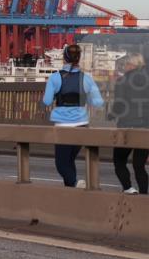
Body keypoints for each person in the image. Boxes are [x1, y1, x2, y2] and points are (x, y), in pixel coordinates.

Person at [42, 44, 105, 188]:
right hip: (81, 125)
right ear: (79, 59)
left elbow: (46, 101)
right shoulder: (86, 78)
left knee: (61, 164)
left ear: (64, 58)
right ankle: (71, 193)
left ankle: (76, 184)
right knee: (70, 161)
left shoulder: (55, 77)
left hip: (63, 126)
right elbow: (98, 102)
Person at [109, 53, 148, 194]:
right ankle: (144, 194)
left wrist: (111, 115)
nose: (124, 67)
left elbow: (119, 104)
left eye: (126, 64)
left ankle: (128, 188)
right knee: (139, 165)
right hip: (145, 127)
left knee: (119, 160)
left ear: (131, 65)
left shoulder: (123, 80)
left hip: (127, 127)